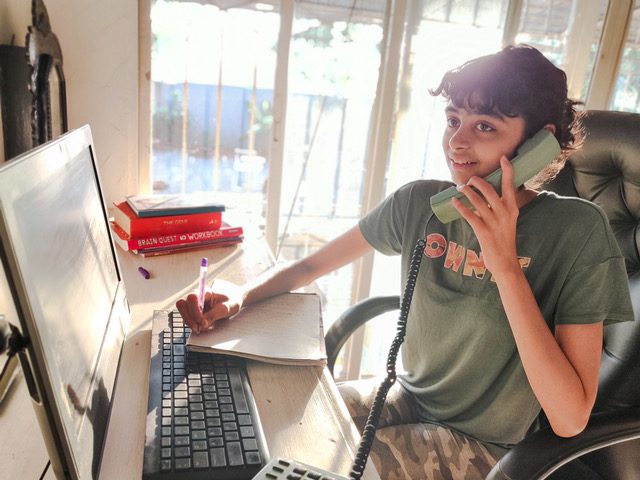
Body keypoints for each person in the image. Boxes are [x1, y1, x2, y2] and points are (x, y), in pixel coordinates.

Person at [176, 45, 634, 479]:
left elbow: (571, 417)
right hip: (406, 395)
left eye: (485, 126)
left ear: (538, 142)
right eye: (454, 119)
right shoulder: (422, 203)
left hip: (486, 444)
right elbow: (310, 267)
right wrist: (240, 296)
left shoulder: (577, 230)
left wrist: (506, 267)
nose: (457, 141)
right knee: (274, 430)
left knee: (321, 465)